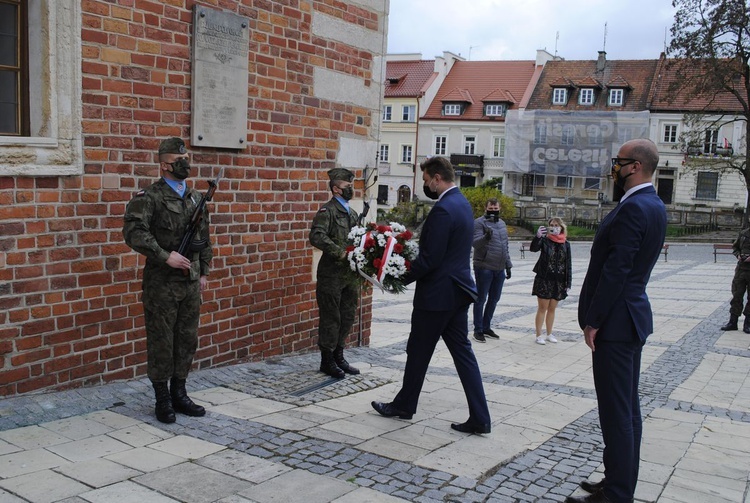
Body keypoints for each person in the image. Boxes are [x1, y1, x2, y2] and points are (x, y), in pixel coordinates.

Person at [570, 139, 667, 503]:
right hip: (630, 317)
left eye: (620, 162)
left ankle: (617, 492)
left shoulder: (635, 208)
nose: (615, 167)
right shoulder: (652, 204)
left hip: (617, 322)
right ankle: (617, 480)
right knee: (626, 409)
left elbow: (617, 270)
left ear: (636, 167)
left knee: (617, 413)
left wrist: (594, 320)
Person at [371, 156, 492, 434]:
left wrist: (395, 278)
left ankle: (404, 405)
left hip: (437, 297)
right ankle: (480, 417)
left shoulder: (443, 209)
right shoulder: (462, 203)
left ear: (437, 178)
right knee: (463, 355)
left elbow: (430, 260)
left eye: (426, 180)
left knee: (418, 351)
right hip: (458, 293)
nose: (425, 185)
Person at [123, 137, 212, 424]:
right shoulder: (149, 197)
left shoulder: (197, 197)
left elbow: (204, 239)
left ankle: (180, 393)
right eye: (179, 160)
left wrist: (203, 272)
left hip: (189, 281)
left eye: (187, 159)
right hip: (162, 282)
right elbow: (134, 233)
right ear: (164, 165)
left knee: (186, 338)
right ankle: (162, 398)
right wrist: (165, 256)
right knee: (162, 340)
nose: (186, 164)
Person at [309, 168, 360, 379]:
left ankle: (339, 355)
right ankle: (327, 360)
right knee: (331, 317)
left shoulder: (353, 213)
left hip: (350, 275)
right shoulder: (327, 212)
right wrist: (339, 253)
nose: (352, 189)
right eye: (348, 187)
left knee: (348, 314)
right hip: (331, 274)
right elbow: (317, 237)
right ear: (336, 189)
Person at [472, 198, 512, 343]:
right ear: (485, 208)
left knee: (494, 299)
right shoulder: (479, 223)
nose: (493, 211)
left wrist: (508, 264)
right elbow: (475, 243)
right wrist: (486, 237)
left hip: (499, 268)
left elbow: (505, 246)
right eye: (491, 209)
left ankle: (486, 326)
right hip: (484, 266)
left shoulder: (501, 224)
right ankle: (478, 330)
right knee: (481, 299)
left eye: (496, 209)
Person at [530, 217, 572, 345]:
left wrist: (568, 282)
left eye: (557, 225)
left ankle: (549, 333)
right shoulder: (545, 241)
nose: (554, 227)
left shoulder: (566, 244)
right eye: (552, 225)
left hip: (558, 281)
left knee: (552, 308)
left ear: (561, 227)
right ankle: (539, 335)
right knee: (542, 307)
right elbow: (533, 248)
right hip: (544, 279)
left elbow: (568, 264)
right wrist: (537, 237)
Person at [719, 226, 750, 333]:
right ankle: (733, 322)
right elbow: (735, 248)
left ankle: (748, 323)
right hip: (741, 270)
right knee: (736, 295)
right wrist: (738, 256)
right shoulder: (744, 233)